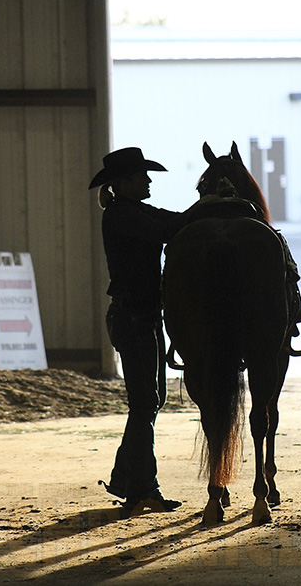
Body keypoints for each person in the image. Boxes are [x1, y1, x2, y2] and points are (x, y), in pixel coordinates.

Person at [89, 147, 183, 517]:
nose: (147, 181)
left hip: (139, 317)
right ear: (124, 183)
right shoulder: (123, 215)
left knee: (148, 402)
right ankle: (143, 488)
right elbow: (169, 225)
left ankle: (128, 481)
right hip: (135, 318)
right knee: (145, 403)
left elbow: (170, 221)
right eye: (142, 176)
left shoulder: (127, 212)